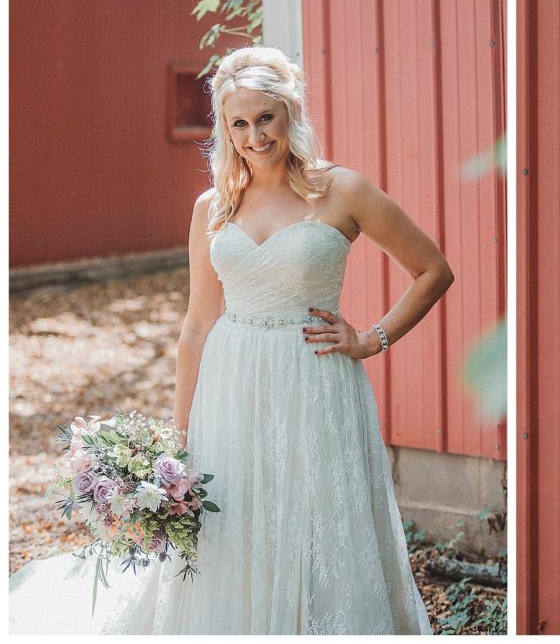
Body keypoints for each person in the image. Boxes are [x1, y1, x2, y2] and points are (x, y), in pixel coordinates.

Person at [10, 46, 453, 634]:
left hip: (315, 380)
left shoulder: (344, 191)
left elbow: (433, 271)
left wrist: (372, 339)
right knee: (235, 521)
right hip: (230, 381)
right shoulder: (213, 208)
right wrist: (179, 434)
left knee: (315, 518)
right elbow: (196, 326)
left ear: (291, 112)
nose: (254, 136)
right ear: (224, 128)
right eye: (238, 123)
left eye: (265, 118)